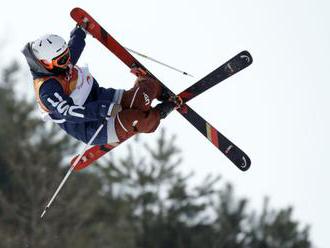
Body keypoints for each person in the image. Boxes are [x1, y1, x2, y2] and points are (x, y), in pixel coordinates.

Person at [22, 24, 180, 145]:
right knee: (134, 118)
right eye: (62, 60)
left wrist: (80, 31)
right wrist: (102, 109)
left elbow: (74, 47)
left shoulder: (61, 63)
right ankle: (160, 113)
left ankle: (156, 89)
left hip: (103, 97)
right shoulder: (47, 89)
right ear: (45, 63)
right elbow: (68, 112)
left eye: (67, 55)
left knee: (142, 96)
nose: (68, 61)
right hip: (92, 126)